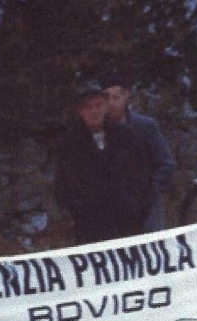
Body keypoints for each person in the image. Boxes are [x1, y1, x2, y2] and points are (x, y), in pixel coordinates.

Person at [54, 80, 153, 245]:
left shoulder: (127, 136)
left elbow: (142, 176)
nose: (94, 111)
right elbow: (63, 185)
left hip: (127, 222)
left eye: (98, 105)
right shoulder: (68, 143)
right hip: (90, 226)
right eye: (88, 107)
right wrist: (78, 211)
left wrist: (136, 207)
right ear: (80, 111)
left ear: (106, 106)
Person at [102, 74, 176, 232]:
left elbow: (166, 164)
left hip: (146, 210)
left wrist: (149, 189)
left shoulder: (145, 126)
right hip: (114, 213)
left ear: (126, 96)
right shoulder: (99, 131)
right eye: (107, 98)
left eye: (116, 97)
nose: (111, 103)